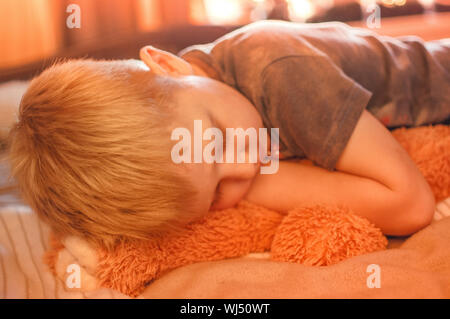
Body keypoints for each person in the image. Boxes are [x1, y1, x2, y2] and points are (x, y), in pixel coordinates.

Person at [4, 20, 446, 251]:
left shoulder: (281, 73)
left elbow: (409, 205)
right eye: (217, 194)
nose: (245, 165)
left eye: (214, 139)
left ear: (170, 66)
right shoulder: (202, 101)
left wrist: (263, 184)